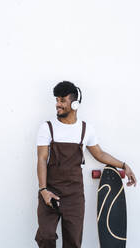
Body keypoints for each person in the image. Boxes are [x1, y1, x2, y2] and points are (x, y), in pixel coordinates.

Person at [35, 81, 137, 248]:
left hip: (74, 196)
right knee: (46, 236)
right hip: (49, 192)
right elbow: (41, 159)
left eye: (62, 101)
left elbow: (99, 154)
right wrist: (43, 190)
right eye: (57, 100)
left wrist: (124, 165)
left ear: (75, 103)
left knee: (73, 242)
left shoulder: (85, 129)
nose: (57, 105)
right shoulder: (47, 128)